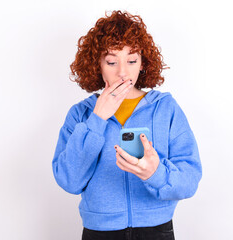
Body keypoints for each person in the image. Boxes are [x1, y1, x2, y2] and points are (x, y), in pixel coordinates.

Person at [52, 10, 202, 240]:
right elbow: (69, 181)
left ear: (143, 63)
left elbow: (190, 179)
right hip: (99, 233)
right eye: (111, 61)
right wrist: (97, 119)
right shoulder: (81, 115)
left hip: (157, 231)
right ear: (98, 65)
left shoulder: (166, 109)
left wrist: (155, 173)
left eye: (131, 60)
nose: (122, 72)